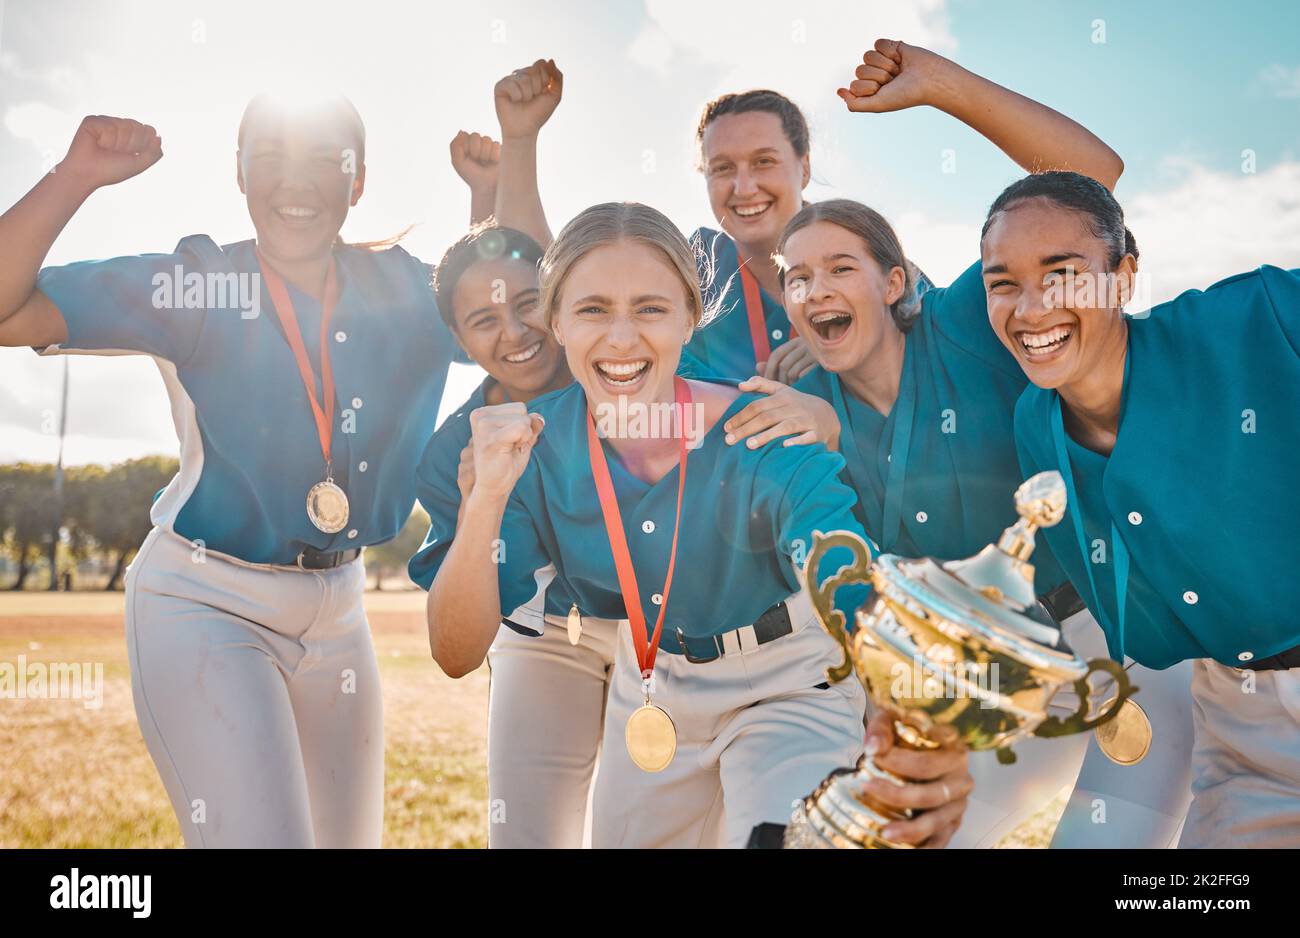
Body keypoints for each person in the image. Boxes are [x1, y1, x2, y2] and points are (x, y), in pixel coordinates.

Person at [739, 38, 1194, 848]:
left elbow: (1091, 178)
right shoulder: (803, 403)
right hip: (979, 671)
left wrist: (943, 87)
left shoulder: (964, 323)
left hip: (1117, 635)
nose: (814, 290)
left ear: (893, 282)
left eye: (840, 266)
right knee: (909, 832)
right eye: (797, 278)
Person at [418, 201, 974, 848]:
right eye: (593, 309)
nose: (622, 339)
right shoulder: (532, 449)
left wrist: (905, 709)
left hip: (789, 681)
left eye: (650, 309)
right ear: (556, 322)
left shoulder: (761, 426)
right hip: (653, 683)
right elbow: (456, 653)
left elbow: (837, 562)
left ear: (690, 316)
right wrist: (485, 497)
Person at [0, 95, 461, 847]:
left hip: (341, 610)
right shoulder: (196, 285)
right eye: (270, 158)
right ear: (238, 175)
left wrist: (510, 159)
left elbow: (537, 326)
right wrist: (74, 176)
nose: (296, 181)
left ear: (360, 179)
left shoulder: (408, 286)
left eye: (323, 160)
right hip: (206, 599)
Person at [982, 169, 1300, 848]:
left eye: (1063, 273)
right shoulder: (1035, 423)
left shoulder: (1257, 314)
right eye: (1002, 282)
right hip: (1239, 725)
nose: (1030, 308)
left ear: (1124, 277)